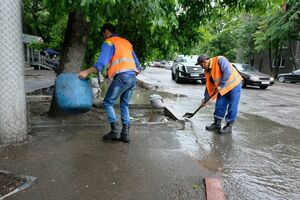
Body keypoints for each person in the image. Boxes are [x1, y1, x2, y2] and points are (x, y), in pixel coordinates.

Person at [79, 23, 142, 142]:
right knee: (124, 105)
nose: (104, 37)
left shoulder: (109, 42)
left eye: (103, 35)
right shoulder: (126, 42)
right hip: (132, 78)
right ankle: (125, 134)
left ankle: (114, 131)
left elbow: (101, 63)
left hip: (122, 77)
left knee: (107, 102)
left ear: (106, 32)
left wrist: (86, 72)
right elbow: (138, 65)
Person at [196, 54, 242, 134]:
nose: (201, 67)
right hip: (223, 87)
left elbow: (227, 72)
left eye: (201, 65)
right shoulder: (207, 71)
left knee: (232, 106)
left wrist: (220, 86)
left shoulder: (220, 60)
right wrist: (205, 99)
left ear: (204, 62)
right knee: (220, 104)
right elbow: (209, 86)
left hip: (234, 85)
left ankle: (228, 126)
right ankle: (217, 124)